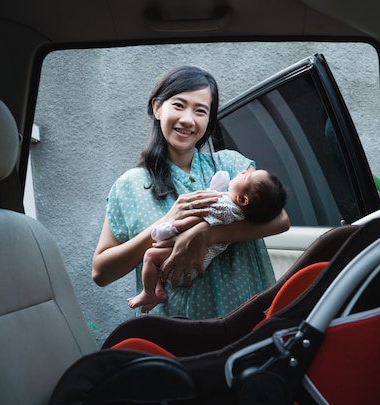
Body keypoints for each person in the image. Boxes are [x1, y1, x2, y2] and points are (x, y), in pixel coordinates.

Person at [92, 65, 290, 319]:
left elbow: (281, 220)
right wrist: (166, 222)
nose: (188, 119)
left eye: (200, 111)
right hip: (172, 329)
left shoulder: (232, 165)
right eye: (178, 105)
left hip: (243, 321)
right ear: (157, 107)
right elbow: (101, 272)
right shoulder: (129, 185)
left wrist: (206, 233)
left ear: (208, 119)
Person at [128, 169, 287, 313]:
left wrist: (174, 225)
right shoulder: (233, 207)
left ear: (243, 200)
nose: (244, 171)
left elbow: (197, 218)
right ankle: (158, 291)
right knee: (154, 260)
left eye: (248, 176)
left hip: (187, 265)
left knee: (150, 256)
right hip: (191, 263)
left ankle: (148, 294)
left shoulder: (226, 207)